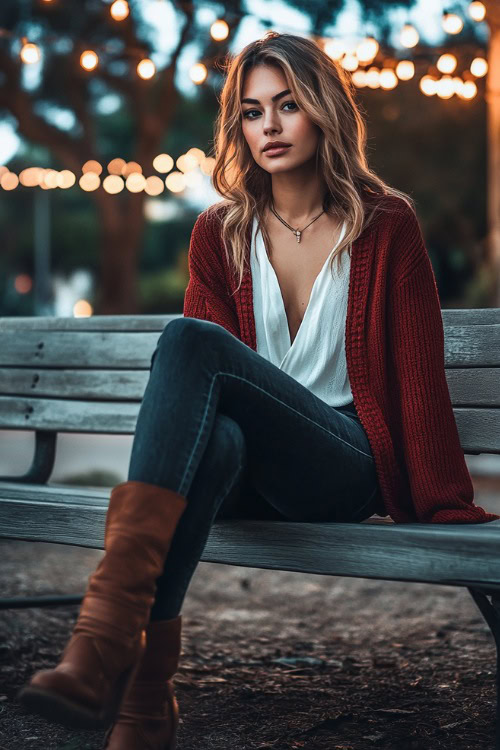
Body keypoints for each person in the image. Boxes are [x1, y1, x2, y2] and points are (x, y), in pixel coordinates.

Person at [18, 30, 500, 750]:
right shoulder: (220, 233)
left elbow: (419, 376)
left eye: (287, 105)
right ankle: (145, 701)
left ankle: (103, 644)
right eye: (251, 111)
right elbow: (207, 399)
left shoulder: (385, 224)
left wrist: (440, 502)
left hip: (343, 464)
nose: (269, 126)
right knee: (216, 432)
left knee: (188, 341)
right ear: (237, 126)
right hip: (250, 468)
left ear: (323, 111)